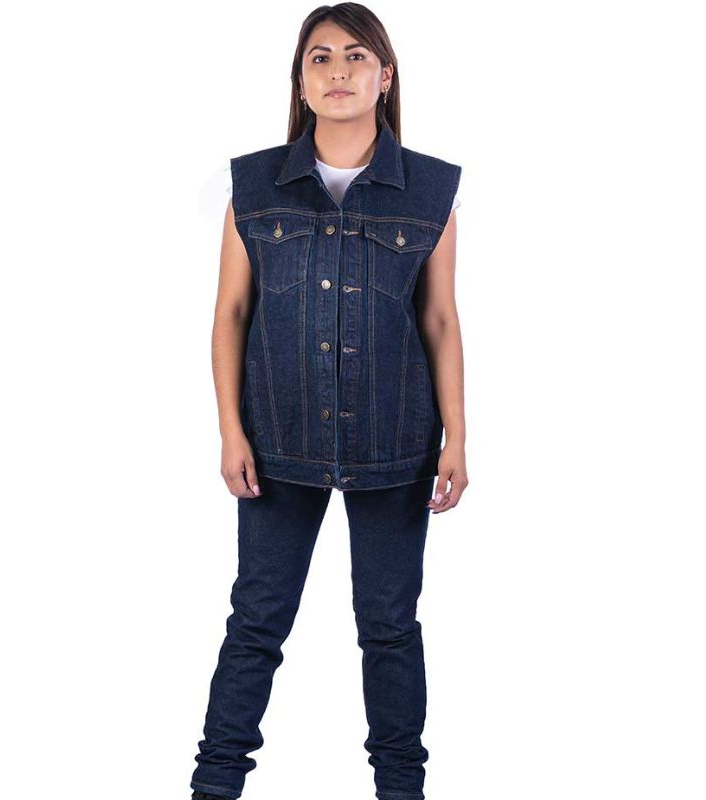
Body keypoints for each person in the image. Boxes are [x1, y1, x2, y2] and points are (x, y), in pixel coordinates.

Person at [190, 4, 468, 799]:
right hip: (276, 440)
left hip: (395, 442)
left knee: (390, 628)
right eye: (320, 57)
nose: (338, 71)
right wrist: (229, 431)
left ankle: (400, 788)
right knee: (256, 622)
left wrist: (456, 436)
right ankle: (214, 785)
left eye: (355, 56)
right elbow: (230, 314)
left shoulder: (431, 190)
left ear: (385, 76)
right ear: (301, 80)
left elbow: (440, 319)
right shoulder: (253, 185)